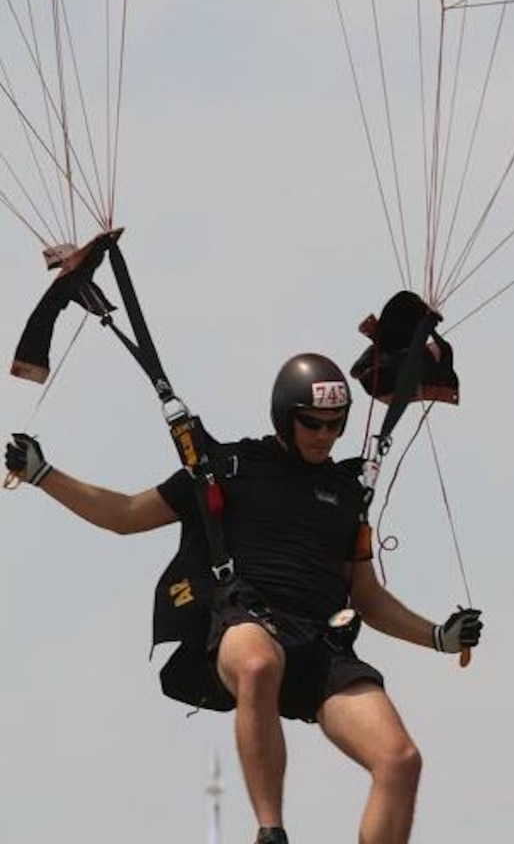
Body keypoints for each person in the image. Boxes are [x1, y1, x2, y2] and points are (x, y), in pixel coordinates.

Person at [5, 352, 482, 844]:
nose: (324, 436)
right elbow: (125, 514)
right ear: (285, 416)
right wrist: (45, 475)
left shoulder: (346, 493)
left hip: (322, 644)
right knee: (257, 664)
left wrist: (438, 637)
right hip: (248, 617)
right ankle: (270, 831)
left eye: (335, 426)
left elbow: (367, 596)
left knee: (400, 760)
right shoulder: (228, 468)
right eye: (312, 424)